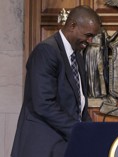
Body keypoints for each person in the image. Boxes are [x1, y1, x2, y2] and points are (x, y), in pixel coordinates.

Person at [11, 5, 101, 157]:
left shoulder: (77, 55)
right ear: (72, 26)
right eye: (88, 35)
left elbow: (79, 104)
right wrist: (80, 131)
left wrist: (92, 132)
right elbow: (44, 104)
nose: (90, 41)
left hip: (64, 145)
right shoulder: (46, 51)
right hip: (43, 146)